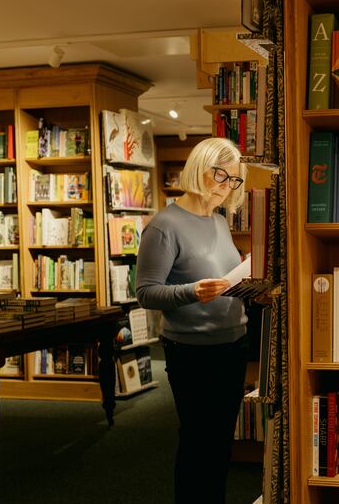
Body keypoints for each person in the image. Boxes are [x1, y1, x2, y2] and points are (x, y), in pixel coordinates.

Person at [135, 137, 248, 504]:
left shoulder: (219, 222)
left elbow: (227, 278)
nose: (227, 186)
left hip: (232, 343)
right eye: (221, 175)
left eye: (234, 179)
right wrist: (192, 291)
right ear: (200, 169)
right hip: (192, 351)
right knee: (199, 443)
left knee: (220, 443)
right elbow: (146, 292)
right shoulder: (164, 226)